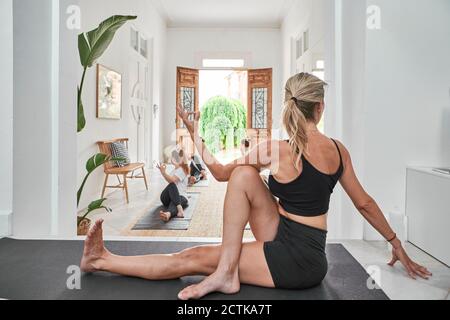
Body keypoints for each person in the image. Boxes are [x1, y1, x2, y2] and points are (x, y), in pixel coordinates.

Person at [81, 73, 431, 300]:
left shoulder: (276, 150)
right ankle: (226, 269)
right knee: (244, 175)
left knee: (193, 258)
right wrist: (395, 242)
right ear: (319, 108)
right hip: (293, 236)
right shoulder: (337, 150)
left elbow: (217, 171)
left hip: (299, 262)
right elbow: (365, 203)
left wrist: (192, 131)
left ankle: (102, 260)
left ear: (289, 104)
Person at [157, 149, 190, 222]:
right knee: (172, 185)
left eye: (173, 157)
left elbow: (172, 180)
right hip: (167, 198)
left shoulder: (182, 169)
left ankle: (168, 214)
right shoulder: (174, 170)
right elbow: (171, 181)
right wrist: (163, 172)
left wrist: (163, 173)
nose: (171, 159)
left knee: (175, 202)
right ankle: (179, 208)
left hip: (181, 197)